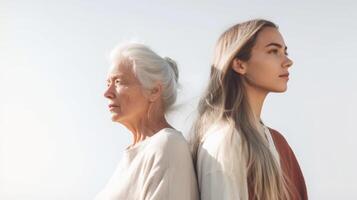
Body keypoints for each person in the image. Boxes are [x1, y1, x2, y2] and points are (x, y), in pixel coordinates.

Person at [192, 19, 308, 200]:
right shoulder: (225, 140)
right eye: (273, 51)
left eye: (285, 52)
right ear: (239, 64)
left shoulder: (279, 143)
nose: (288, 61)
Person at [95, 42, 199, 200]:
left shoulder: (168, 146)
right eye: (108, 83)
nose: (107, 93)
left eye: (118, 82)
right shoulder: (135, 155)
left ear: (154, 91)